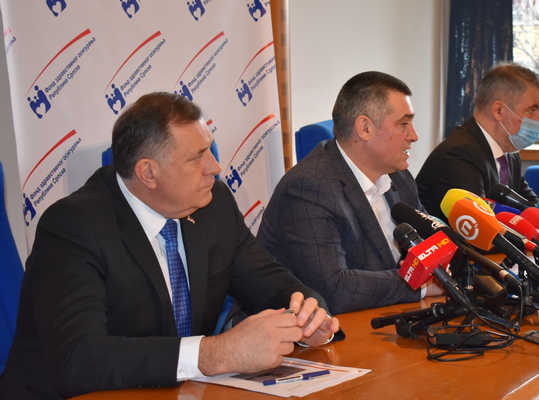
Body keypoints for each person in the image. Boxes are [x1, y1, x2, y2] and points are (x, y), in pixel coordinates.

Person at [0, 92, 339, 400]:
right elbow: (79, 360)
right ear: (148, 173)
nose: (215, 168)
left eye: (210, 149)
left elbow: (276, 286)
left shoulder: (214, 205)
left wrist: (308, 316)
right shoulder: (74, 227)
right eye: (197, 157)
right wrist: (214, 353)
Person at [256, 71, 444, 315]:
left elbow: (429, 245)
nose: (414, 136)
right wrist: (420, 286)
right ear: (364, 128)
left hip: (386, 315)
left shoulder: (399, 176)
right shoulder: (308, 188)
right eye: (403, 124)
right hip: (313, 329)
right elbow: (335, 290)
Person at [416, 62, 539, 221]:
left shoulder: (509, 152)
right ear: (499, 110)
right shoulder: (458, 154)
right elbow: (482, 224)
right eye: (532, 110)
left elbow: (528, 205)